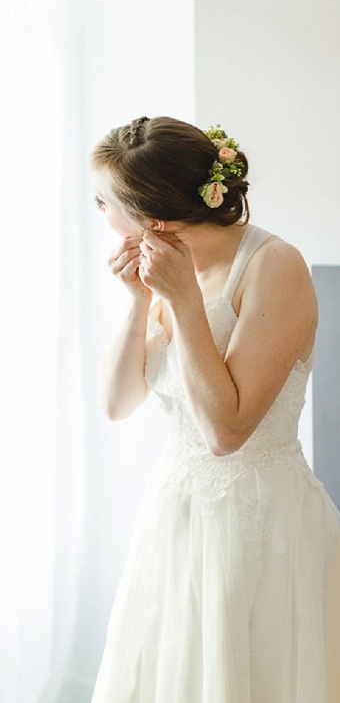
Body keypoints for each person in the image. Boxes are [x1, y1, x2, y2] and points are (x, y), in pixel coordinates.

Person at [89, 115, 340, 703]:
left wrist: (180, 299)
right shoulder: (163, 271)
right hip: (175, 515)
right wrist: (136, 302)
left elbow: (226, 430)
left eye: (102, 202)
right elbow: (117, 403)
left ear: (153, 218)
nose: (96, 211)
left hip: (261, 522)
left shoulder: (275, 266)